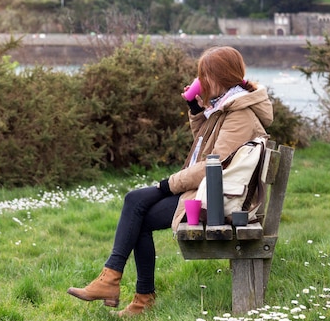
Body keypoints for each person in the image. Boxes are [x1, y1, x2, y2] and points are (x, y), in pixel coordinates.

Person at [67, 46, 274, 317]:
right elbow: (203, 142)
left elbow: (213, 165)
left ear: (216, 77)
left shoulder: (239, 114)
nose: (201, 81)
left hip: (215, 198)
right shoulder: (228, 105)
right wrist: (196, 110)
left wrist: (168, 184)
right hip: (206, 190)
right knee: (134, 203)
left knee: (136, 210)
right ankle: (120, 285)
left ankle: (127, 290)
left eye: (204, 75)